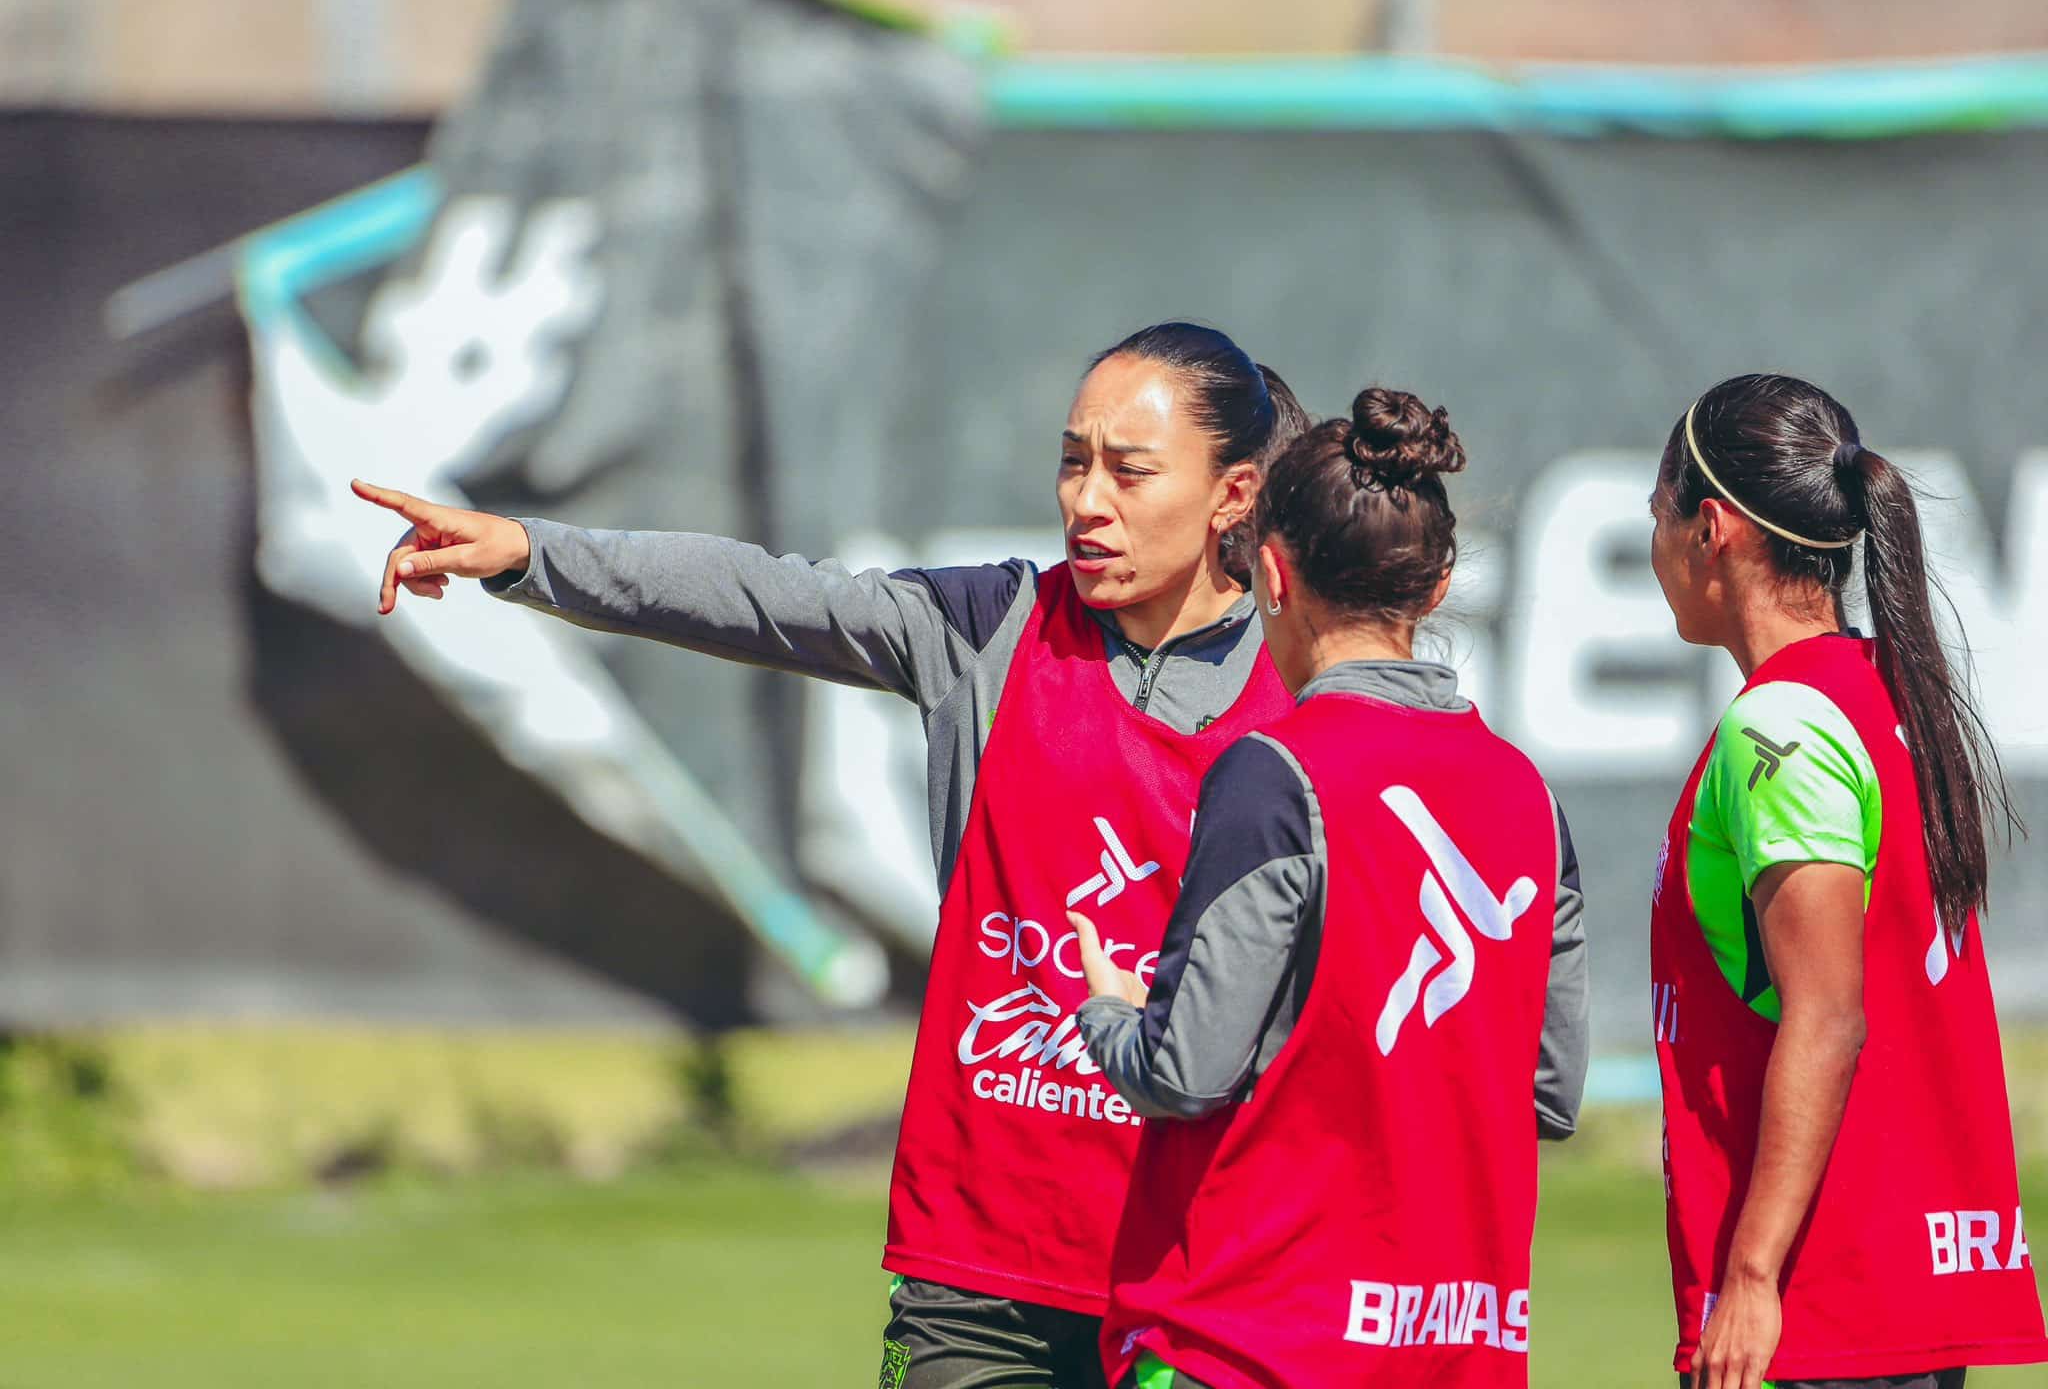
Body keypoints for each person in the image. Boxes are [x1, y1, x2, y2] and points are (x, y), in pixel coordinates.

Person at [353, 321, 1308, 1388]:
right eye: (1072, 461)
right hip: (976, 1277)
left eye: (1129, 472)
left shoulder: (1308, 702)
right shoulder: (990, 630)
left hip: (1193, 1281)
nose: (1087, 501)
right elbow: (766, 596)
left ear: (1232, 494)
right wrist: (533, 556)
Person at [1069, 387, 1590, 1389]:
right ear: (1435, 588)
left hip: (1249, 1345)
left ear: (1269, 571)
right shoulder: (1524, 795)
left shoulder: (1273, 773)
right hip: (1457, 1352)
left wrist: (1108, 1013)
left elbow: (1181, 1067)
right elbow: (1549, 1090)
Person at [1645, 374, 2047, 1389]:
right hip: (1894, 1284)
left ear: (1710, 530)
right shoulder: (1878, 688)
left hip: (1825, 1298)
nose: (1651, 549)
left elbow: (1825, 1016)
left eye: (1654, 517)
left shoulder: (1779, 723)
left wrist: (1747, 1274)